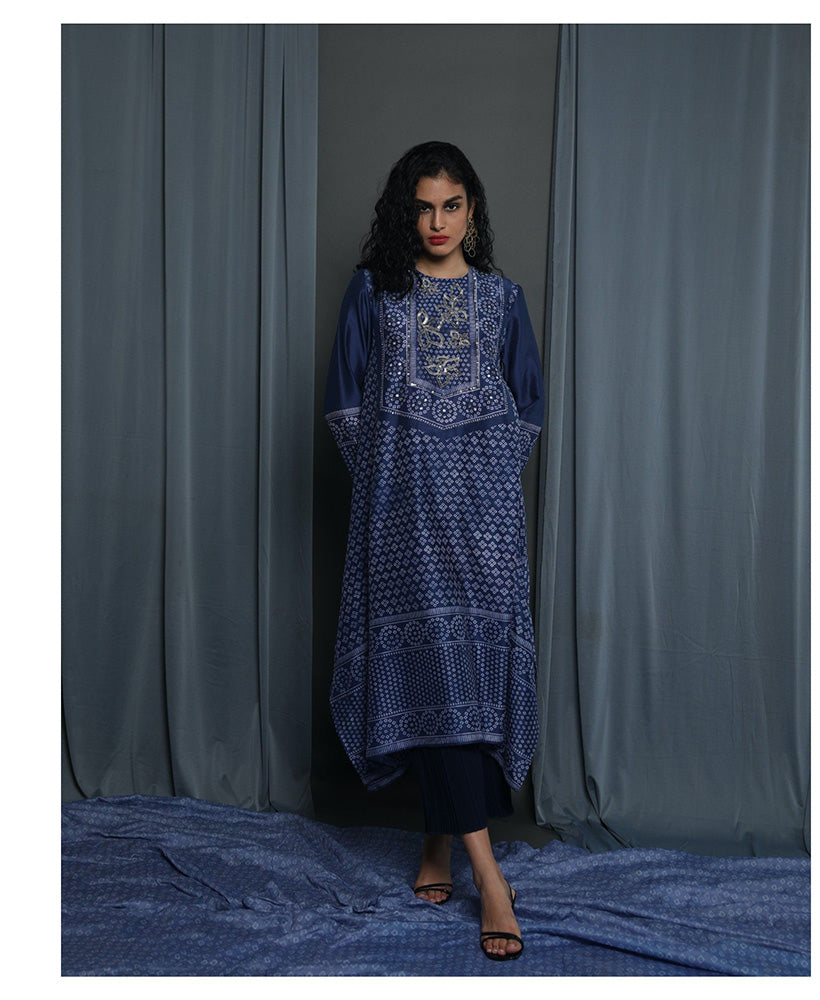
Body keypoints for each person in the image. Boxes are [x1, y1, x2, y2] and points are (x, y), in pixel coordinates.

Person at [323, 141, 544, 961]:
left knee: (469, 679)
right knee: (433, 673)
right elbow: (344, 403)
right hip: (402, 524)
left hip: (485, 524)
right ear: (404, 212)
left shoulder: (502, 299)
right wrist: (399, 480)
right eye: (423, 207)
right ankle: (492, 877)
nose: (438, 222)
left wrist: (475, 478)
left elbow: (528, 404)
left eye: (452, 206)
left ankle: (438, 843)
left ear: (472, 210)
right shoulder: (375, 294)